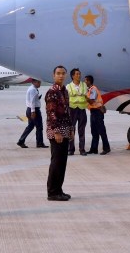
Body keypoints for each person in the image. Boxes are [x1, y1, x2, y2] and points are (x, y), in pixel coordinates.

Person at [46, 66, 73, 201]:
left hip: (65, 131)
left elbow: (67, 112)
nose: (61, 76)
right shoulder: (52, 92)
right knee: (56, 162)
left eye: (63, 74)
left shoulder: (64, 91)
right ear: (53, 75)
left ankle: (59, 189)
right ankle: (52, 192)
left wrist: (71, 129)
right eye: (58, 73)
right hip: (56, 132)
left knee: (62, 162)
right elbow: (51, 113)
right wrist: (56, 131)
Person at [17, 79, 47, 149]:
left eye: (40, 82)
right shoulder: (33, 90)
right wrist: (33, 112)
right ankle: (39, 143)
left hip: (30, 109)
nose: (40, 83)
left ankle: (21, 141)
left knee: (30, 126)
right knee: (39, 127)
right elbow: (32, 102)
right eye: (38, 82)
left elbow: (32, 100)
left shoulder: (32, 88)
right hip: (34, 110)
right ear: (33, 82)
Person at [85, 75, 110, 155]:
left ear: (89, 81)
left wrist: (83, 97)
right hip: (93, 112)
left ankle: (106, 148)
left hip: (97, 112)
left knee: (101, 131)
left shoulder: (93, 89)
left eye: (86, 80)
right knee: (94, 131)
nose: (85, 82)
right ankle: (94, 149)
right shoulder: (89, 89)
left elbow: (91, 101)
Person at [66, 68, 88, 156]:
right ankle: (71, 149)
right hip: (72, 109)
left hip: (82, 109)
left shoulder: (84, 85)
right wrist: (80, 94)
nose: (79, 75)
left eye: (79, 74)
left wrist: (76, 94)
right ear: (73, 76)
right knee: (71, 129)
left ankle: (82, 149)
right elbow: (68, 97)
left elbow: (85, 93)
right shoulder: (68, 86)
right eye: (77, 74)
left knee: (81, 130)